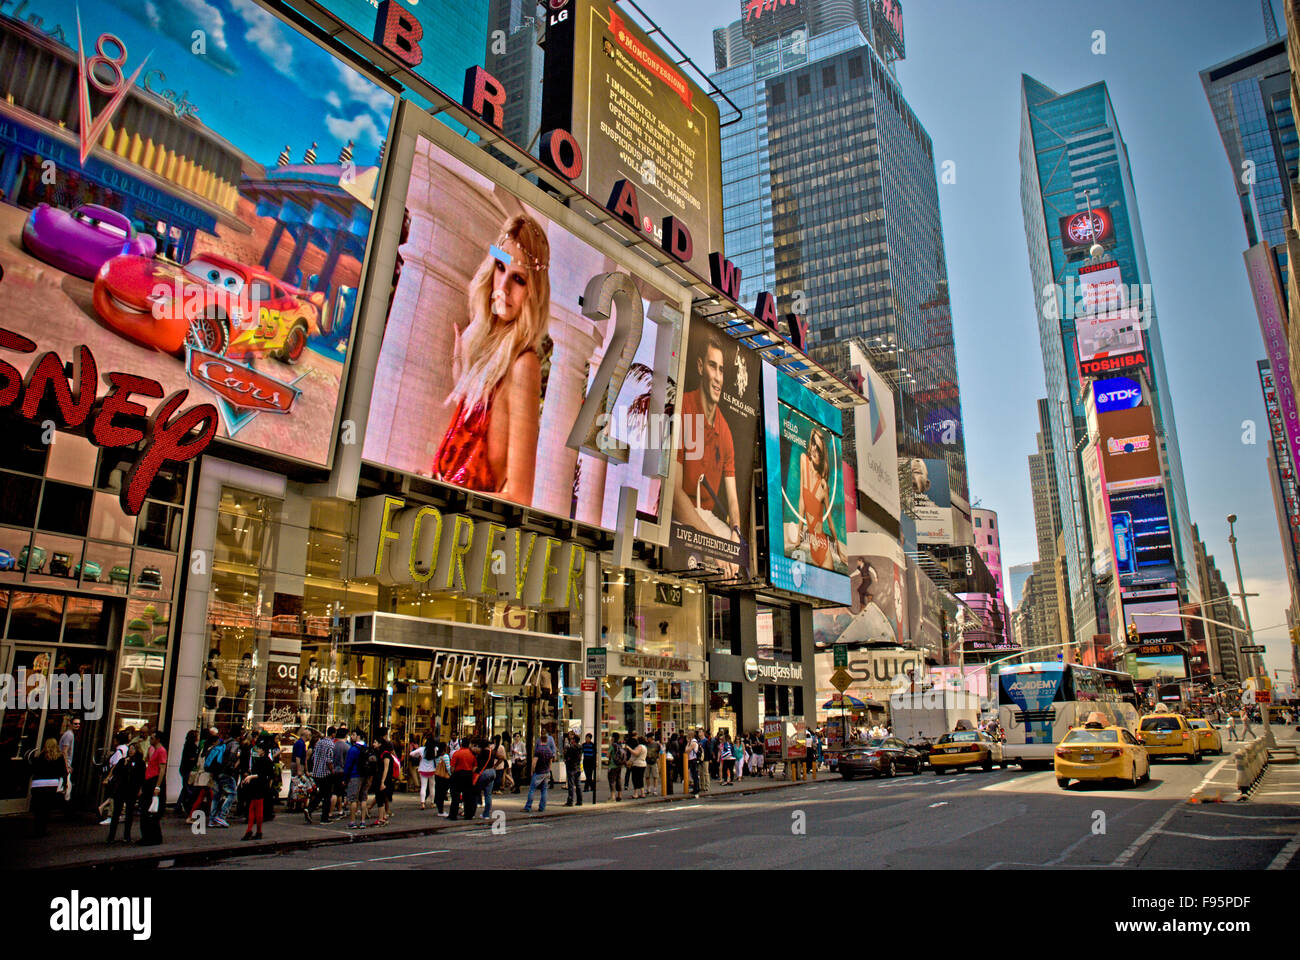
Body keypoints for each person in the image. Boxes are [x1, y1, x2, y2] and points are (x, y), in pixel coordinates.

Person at [432, 214, 550, 505]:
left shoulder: (525, 366)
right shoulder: (487, 353)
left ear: (533, 293)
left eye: (519, 279)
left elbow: (519, 497)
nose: (504, 287)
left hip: (465, 528)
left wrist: (445, 496)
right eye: (500, 267)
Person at [672, 329, 744, 578]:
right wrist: (714, 544)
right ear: (701, 367)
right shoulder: (683, 408)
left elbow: (733, 499)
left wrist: (735, 530)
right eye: (713, 367)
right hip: (679, 515)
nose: (717, 377)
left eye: (721, 369)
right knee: (709, 556)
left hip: (707, 518)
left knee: (738, 566)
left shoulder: (724, 431)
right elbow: (673, 494)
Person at [106, 739, 144, 843]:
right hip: (121, 789)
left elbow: (141, 777)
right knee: (116, 812)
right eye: (130, 749)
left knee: (129, 813)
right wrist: (124, 764)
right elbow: (117, 772)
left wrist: (140, 789)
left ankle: (127, 836)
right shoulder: (123, 761)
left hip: (132, 790)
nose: (131, 751)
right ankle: (111, 836)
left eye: (133, 749)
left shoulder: (140, 763)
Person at [27, 738, 67, 838]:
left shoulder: (40, 757)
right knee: (46, 807)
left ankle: (37, 829)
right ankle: (42, 829)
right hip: (51, 784)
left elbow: (33, 770)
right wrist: (64, 784)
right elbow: (63, 772)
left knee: (38, 808)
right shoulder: (59, 757)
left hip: (38, 784)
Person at [137, 730, 167, 846]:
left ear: (158, 739)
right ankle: (148, 836)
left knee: (150, 810)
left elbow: (162, 769)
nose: (150, 740)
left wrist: (158, 786)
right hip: (149, 780)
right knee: (147, 810)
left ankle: (152, 837)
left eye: (152, 738)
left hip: (154, 781)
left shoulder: (161, 751)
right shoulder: (153, 750)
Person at [240, 740, 275, 841]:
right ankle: (257, 831)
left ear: (263, 750)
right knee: (257, 809)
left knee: (253, 809)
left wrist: (250, 777)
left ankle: (250, 830)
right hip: (263, 787)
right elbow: (270, 776)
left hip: (257, 786)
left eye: (259, 749)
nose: (258, 750)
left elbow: (261, 774)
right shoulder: (268, 761)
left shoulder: (261, 761)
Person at [307, 726, 336, 823]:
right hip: (326, 773)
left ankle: (310, 808)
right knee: (327, 796)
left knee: (321, 793)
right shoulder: (331, 744)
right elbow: (329, 760)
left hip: (317, 772)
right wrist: (332, 771)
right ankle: (324, 817)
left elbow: (314, 756)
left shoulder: (319, 742)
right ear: (333, 734)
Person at [447, 737, 478, 821]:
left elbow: (452, 767)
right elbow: (475, 766)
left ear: (461, 744)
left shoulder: (457, 753)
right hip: (468, 775)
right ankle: (468, 815)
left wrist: (453, 773)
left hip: (458, 774)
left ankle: (453, 815)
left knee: (455, 796)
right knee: (468, 796)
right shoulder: (472, 755)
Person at [522, 733, 554, 813]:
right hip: (546, 772)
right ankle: (542, 807)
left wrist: (532, 771)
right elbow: (550, 762)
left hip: (539, 772)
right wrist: (549, 771)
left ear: (540, 740)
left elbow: (534, 762)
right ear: (547, 740)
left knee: (532, 789)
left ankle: (528, 806)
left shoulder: (538, 750)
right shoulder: (549, 750)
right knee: (544, 790)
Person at [370, 740, 398, 826]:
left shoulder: (385, 755)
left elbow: (386, 769)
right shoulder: (380, 753)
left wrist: (382, 782)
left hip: (383, 779)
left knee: (380, 797)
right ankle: (382, 817)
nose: (373, 744)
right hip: (381, 778)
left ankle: (381, 818)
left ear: (380, 744)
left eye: (375, 742)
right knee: (379, 798)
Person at [344, 732, 367, 829]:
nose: (351, 737)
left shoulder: (353, 749)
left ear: (358, 737)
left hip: (355, 775)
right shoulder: (367, 748)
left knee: (353, 799)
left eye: (353, 735)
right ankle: (363, 821)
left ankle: (352, 821)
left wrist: (345, 778)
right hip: (365, 775)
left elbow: (348, 764)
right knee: (363, 798)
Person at [175, 729, 199, 815]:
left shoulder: (187, 745)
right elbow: (192, 758)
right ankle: (186, 806)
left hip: (184, 768)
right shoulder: (192, 747)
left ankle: (178, 806)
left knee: (185, 788)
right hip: (188, 769)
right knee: (188, 789)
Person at [410, 734, 437, 810]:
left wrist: (418, 756)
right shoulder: (434, 749)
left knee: (423, 786)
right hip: (432, 770)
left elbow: (411, 754)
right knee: (432, 786)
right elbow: (438, 751)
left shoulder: (422, 749)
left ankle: (422, 803)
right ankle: (432, 802)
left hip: (423, 770)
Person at [475, 738, 498, 821]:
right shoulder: (491, 752)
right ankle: (486, 814)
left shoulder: (481, 753)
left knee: (476, 791)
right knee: (488, 794)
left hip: (484, 773)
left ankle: (472, 812)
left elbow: (479, 764)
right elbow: (502, 757)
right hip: (492, 772)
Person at [563, 733, 584, 806]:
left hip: (571, 767)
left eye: (572, 739)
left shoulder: (571, 748)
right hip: (577, 767)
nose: (571, 740)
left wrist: (567, 758)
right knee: (578, 784)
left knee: (571, 785)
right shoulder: (580, 747)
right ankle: (579, 800)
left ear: (574, 740)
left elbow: (567, 756)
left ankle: (570, 800)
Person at [433, 741, 452, 816]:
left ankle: (440, 810)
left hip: (438, 776)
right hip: (444, 777)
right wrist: (451, 775)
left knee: (439, 793)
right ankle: (441, 811)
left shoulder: (437, 756)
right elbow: (448, 768)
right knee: (443, 793)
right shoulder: (446, 756)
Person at [628, 734, 648, 799]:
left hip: (637, 764)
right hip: (643, 764)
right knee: (640, 778)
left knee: (635, 779)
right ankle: (642, 793)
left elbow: (635, 753)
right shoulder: (645, 747)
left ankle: (635, 793)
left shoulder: (640, 746)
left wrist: (629, 748)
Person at [644, 732, 661, 796]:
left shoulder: (657, 744)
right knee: (647, 776)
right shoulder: (646, 744)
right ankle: (648, 788)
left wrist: (658, 760)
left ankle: (655, 789)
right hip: (647, 762)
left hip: (654, 761)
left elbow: (659, 752)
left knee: (655, 776)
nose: (647, 739)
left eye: (648, 738)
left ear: (651, 738)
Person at [688, 731, 701, 795]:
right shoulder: (690, 741)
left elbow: (688, 750)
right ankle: (695, 788)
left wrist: (688, 745)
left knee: (695, 775)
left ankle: (696, 788)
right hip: (691, 759)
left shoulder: (693, 741)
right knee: (693, 774)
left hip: (694, 759)